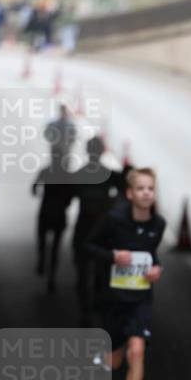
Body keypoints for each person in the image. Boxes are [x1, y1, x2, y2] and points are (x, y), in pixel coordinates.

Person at [85, 168, 165, 380]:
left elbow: (152, 256)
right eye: (141, 188)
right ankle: (101, 361)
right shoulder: (113, 220)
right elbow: (87, 247)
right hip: (113, 299)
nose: (146, 193)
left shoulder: (159, 224)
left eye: (150, 189)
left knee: (136, 351)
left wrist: (157, 268)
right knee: (115, 360)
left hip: (140, 299)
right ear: (130, 194)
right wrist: (112, 256)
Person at [72, 135, 122, 325]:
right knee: (102, 272)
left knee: (83, 272)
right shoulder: (110, 175)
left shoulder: (79, 174)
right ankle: (97, 306)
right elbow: (125, 192)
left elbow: (69, 197)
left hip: (84, 227)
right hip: (102, 231)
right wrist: (108, 205)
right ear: (102, 151)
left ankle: (86, 311)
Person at [32, 163, 74, 293]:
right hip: (59, 213)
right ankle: (52, 277)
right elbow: (71, 195)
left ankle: (41, 260)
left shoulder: (46, 171)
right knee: (56, 247)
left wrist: (41, 195)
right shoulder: (67, 175)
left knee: (42, 241)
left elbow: (34, 188)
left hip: (45, 210)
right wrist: (64, 203)